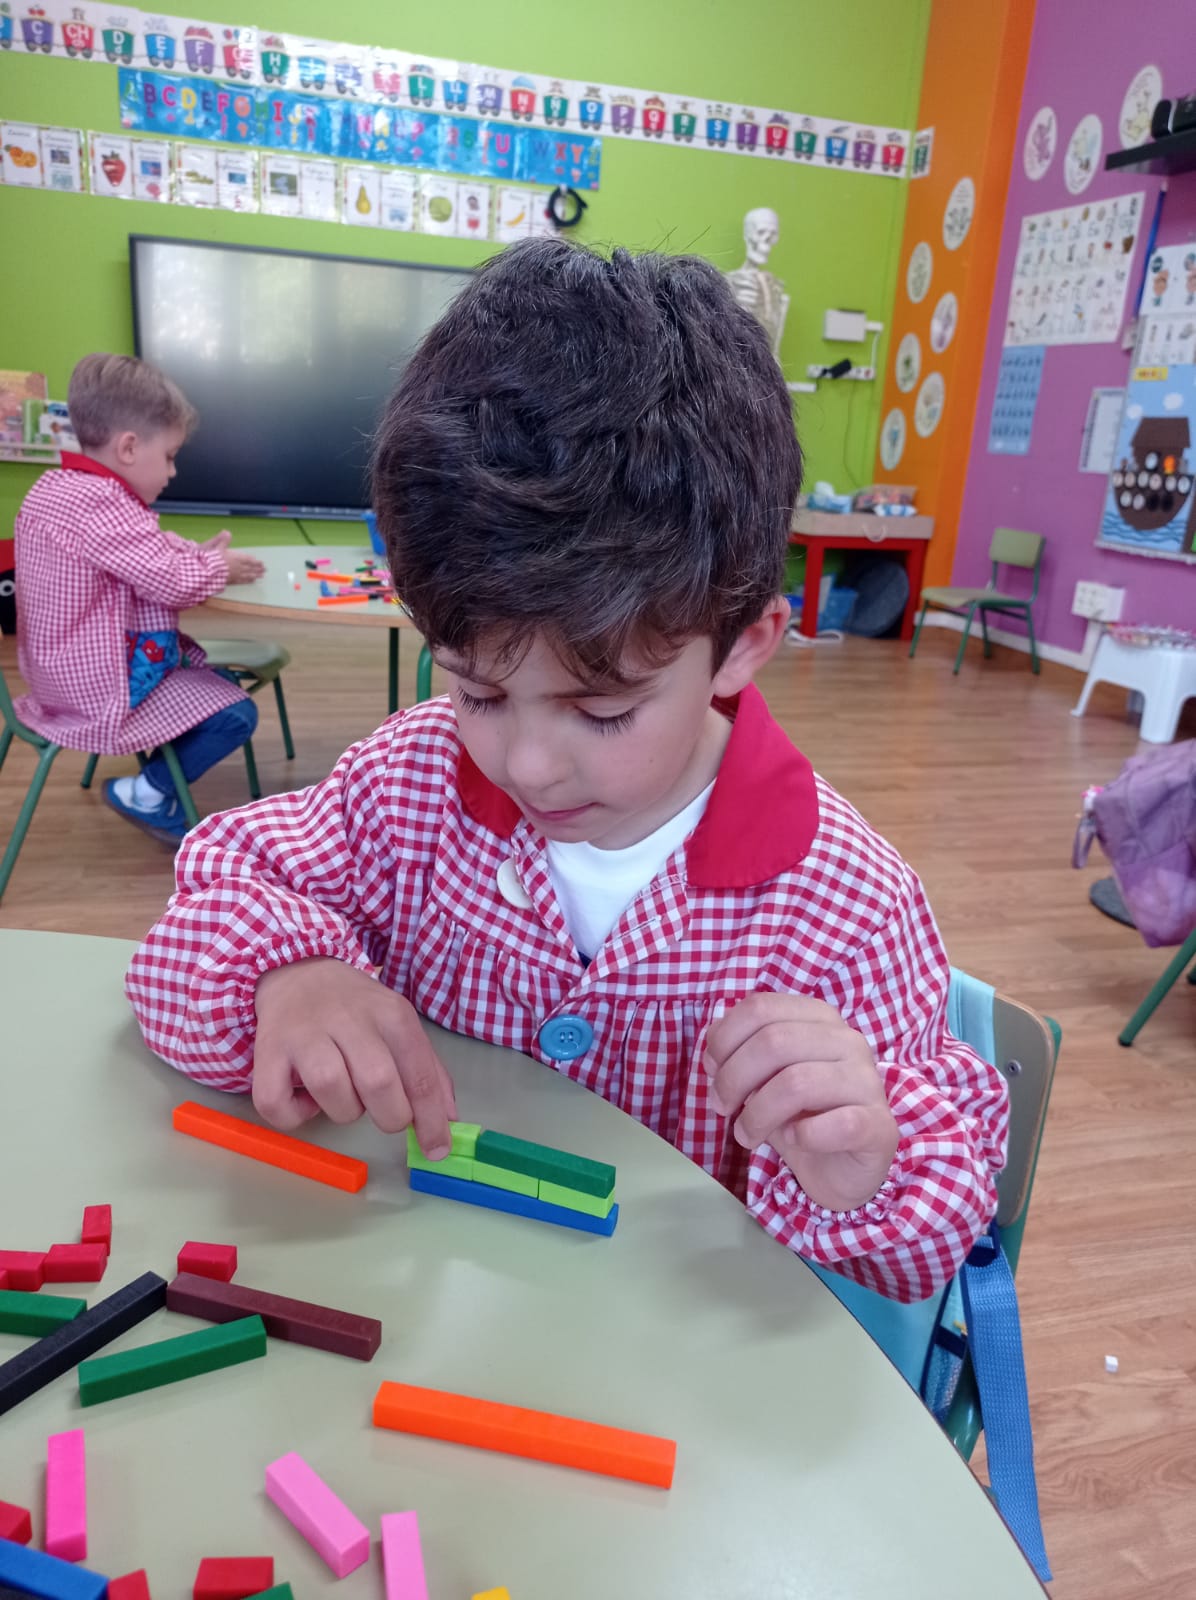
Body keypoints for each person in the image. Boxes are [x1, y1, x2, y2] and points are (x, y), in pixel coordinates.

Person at [127, 241, 1007, 1303]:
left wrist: (868, 1162)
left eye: (603, 710)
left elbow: (924, 1254)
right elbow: (197, 923)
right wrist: (285, 975)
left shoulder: (846, 906)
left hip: (672, 1360)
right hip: (415, 1309)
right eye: (478, 691)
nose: (528, 763)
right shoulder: (408, 784)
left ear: (742, 646)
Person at [14, 353, 265, 844]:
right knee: (237, 714)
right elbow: (169, 581)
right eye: (169, 456)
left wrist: (195, 553)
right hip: (96, 690)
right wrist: (220, 567)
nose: (172, 471)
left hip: (54, 677)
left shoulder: (59, 487)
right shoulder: (103, 504)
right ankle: (146, 792)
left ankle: (157, 771)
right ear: (128, 447)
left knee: (216, 682)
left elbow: (146, 548)